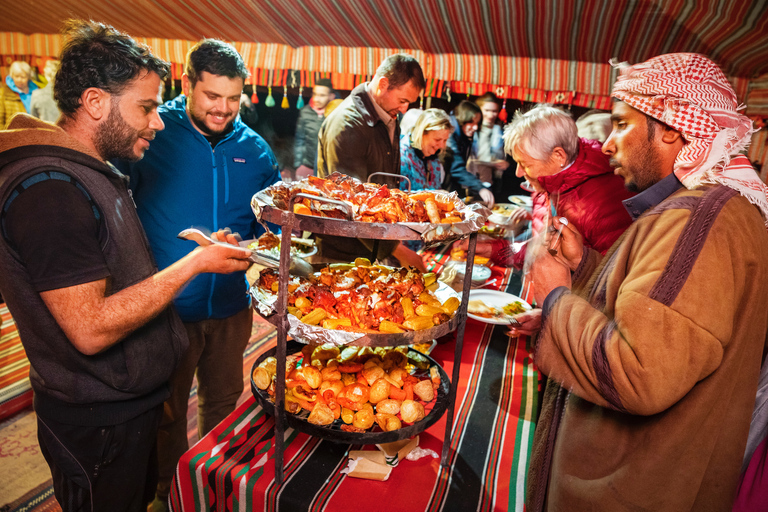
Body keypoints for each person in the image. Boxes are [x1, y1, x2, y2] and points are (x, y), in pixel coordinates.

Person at [0, 20, 253, 512]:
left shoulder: (85, 171)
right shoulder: (50, 189)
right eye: (146, 107)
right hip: (98, 421)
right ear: (96, 102)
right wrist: (195, 264)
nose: (158, 122)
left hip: (122, 407)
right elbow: (90, 327)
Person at [515, 53, 768, 512]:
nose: (607, 143)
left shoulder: (698, 219)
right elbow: (662, 315)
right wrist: (587, 267)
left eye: (620, 124)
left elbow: (638, 371)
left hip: (630, 486)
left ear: (672, 125)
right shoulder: (711, 206)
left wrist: (555, 293)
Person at [118, 39, 280, 512]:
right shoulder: (153, 134)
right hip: (166, 308)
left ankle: (208, 491)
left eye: (234, 98)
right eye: (212, 96)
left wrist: (245, 245)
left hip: (230, 306)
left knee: (223, 404)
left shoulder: (256, 150)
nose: (224, 109)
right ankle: (164, 494)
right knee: (165, 413)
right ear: (186, 83)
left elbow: (266, 234)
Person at [454, 104, 633, 268]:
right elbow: (540, 247)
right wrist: (492, 249)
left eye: (525, 164)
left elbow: (614, 278)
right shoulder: (548, 183)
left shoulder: (604, 202)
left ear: (558, 156)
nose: (518, 173)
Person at [315, 53, 426, 269]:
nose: (405, 108)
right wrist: (397, 250)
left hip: (372, 245)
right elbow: (350, 202)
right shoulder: (347, 124)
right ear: (383, 84)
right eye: (403, 101)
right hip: (341, 251)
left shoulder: (389, 115)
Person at [444, 100, 495, 207]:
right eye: (472, 122)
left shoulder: (464, 135)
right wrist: (479, 187)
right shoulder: (451, 132)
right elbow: (456, 168)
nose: (476, 127)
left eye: (477, 123)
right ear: (463, 119)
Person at [399, 108, 452, 190]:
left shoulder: (433, 157)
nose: (441, 145)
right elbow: (399, 194)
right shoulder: (402, 156)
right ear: (421, 134)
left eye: (445, 140)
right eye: (437, 139)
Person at [294, 78, 335, 179]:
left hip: (328, 169)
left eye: (322, 95)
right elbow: (299, 140)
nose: (317, 99)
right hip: (308, 165)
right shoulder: (305, 112)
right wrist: (298, 165)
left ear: (331, 96)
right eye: (315, 94)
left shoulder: (335, 113)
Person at [0, 60, 38, 127]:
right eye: (16, 76)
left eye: (23, 77)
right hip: (12, 133)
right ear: (12, 76)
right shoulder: (3, 93)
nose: (19, 80)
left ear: (28, 77)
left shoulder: (37, 91)